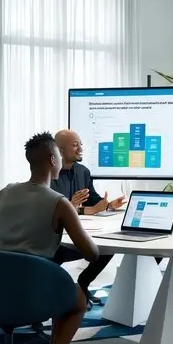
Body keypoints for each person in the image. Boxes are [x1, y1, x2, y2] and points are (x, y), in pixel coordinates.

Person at [0, 132, 99, 344]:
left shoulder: (4, 192)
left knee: (61, 282)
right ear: (52, 159)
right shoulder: (59, 202)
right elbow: (91, 253)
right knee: (77, 300)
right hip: (35, 288)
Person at [51, 129, 126, 306]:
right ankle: (56, 294)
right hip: (55, 239)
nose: (80, 148)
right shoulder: (50, 175)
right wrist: (78, 208)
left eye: (81, 144)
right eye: (75, 144)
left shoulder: (83, 171)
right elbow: (51, 210)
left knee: (108, 248)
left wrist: (107, 205)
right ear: (60, 151)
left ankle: (82, 285)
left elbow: (92, 198)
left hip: (78, 235)